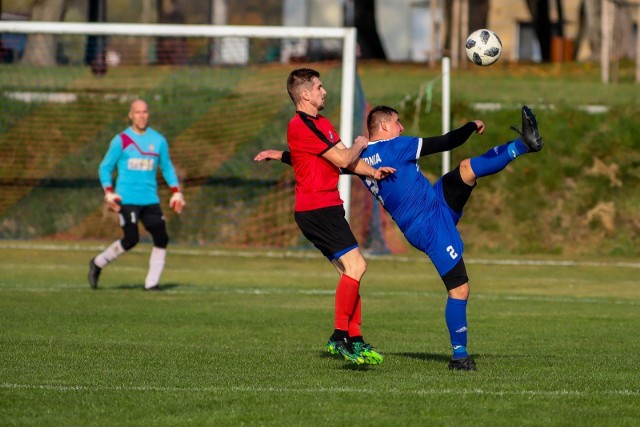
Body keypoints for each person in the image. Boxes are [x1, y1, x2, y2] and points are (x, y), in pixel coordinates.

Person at [255, 104, 543, 370]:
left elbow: (317, 162)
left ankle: (523, 145)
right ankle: (460, 357)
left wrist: (279, 155)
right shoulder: (398, 146)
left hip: (433, 203)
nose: (402, 127)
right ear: (383, 127)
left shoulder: (359, 158)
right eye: (397, 122)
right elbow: (445, 142)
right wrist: (471, 125)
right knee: (460, 290)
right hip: (428, 224)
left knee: (466, 170)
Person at [255, 68, 394, 365]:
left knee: (350, 272)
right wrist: (361, 142)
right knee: (357, 265)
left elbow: (341, 163)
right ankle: (339, 336)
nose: (324, 91)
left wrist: (373, 172)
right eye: (319, 87)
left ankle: (353, 339)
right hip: (316, 208)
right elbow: (345, 157)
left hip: (325, 207)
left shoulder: (321, 124)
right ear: (305, 94)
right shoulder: (300, 125)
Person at [88, 99, 186, 291]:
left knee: (162, 238)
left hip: (150, 199)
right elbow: (104, 167)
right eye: (137, 112)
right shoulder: (121, 140)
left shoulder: (158, 140)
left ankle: (151, 284)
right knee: (131, 239)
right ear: (130, 115)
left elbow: (166, 167)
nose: (142, 116)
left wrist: (176, 191)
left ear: (148, 114)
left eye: (145, 112)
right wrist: (108, 191)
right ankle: (98, 263)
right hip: (127, 199)